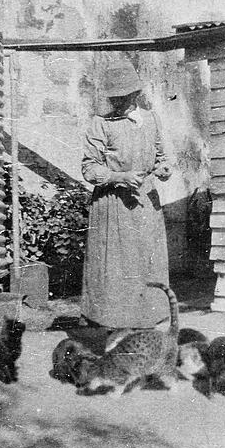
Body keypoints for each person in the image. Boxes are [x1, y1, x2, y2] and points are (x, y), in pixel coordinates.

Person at [80, 59, 172, 329]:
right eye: (114, 97)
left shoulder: (152, 119)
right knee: (116, 265)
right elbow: (89, 168)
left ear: (136, 94)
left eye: (123, 96)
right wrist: (120, 177)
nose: (118, 102)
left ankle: (147, 320)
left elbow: (161, 158)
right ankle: (111, 322)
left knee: (146, 261)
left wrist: (164, 169)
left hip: (146, 204)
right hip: (113, 206)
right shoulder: (101, 124)